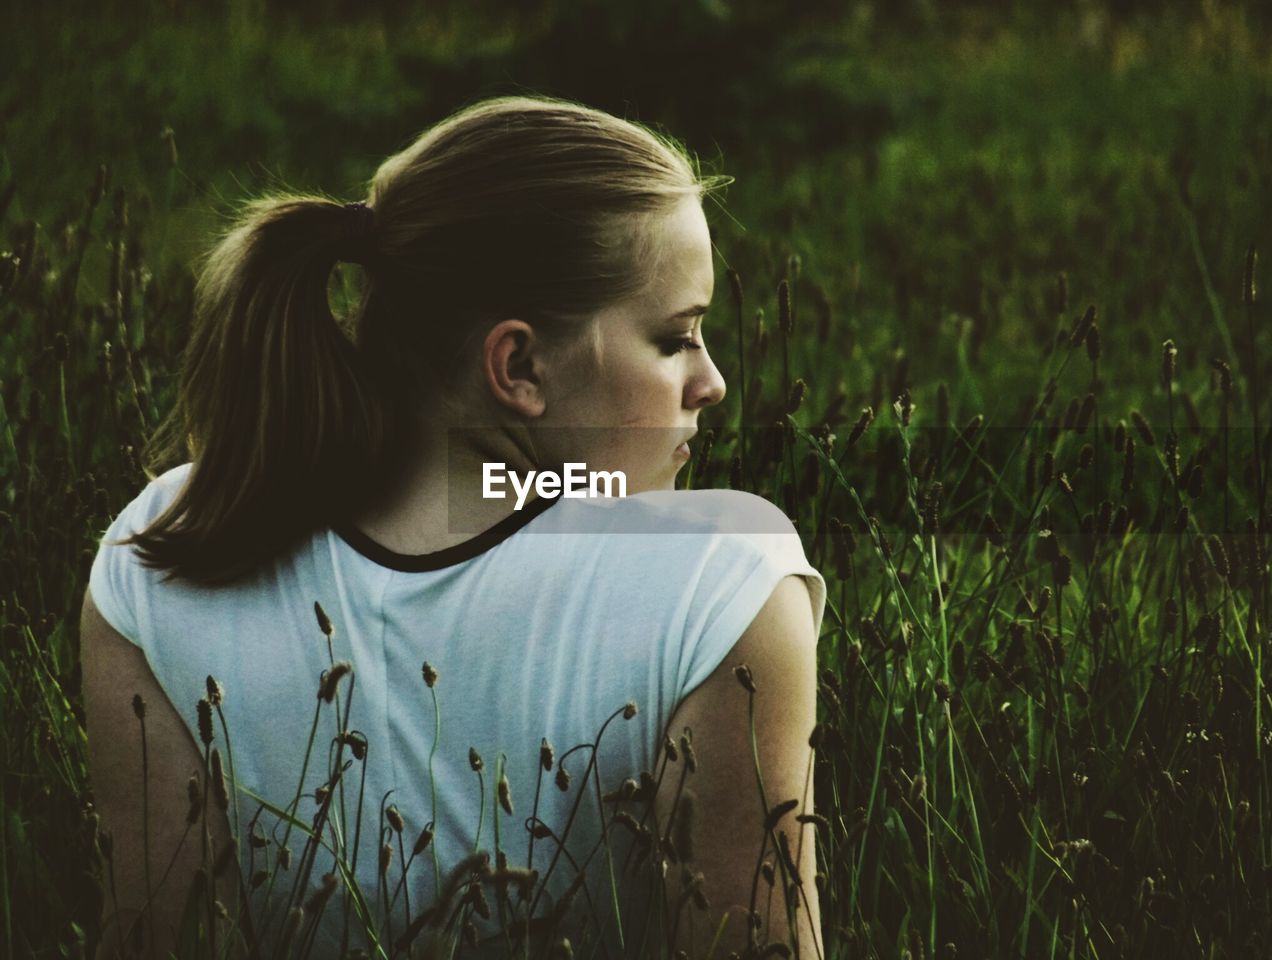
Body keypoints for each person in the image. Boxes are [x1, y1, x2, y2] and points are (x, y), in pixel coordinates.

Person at [81, 94, 827, 960]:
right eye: (677, 338)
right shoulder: (722, 580)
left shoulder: (160, 549)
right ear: (517, 364)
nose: (712, 383)